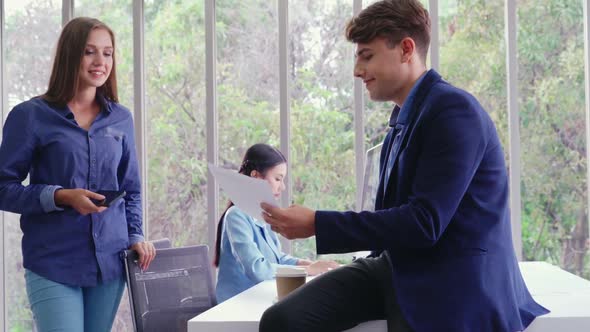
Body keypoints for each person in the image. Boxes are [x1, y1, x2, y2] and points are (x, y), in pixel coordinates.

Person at [259, 1, 549, 331]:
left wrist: (318, 223)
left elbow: (424, 222)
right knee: (281, 320)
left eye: (366, 55)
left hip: (453, 281)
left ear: (406, 49)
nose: (357, 70)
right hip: (397, 266)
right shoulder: (404, 118)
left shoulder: (454, 111)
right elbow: (393, 218)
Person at [0, 17, 155, 332]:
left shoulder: (121, 118)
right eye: (89, 52)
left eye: (107, 53)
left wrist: (136, 235)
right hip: (53, 262)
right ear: (71, 55)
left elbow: (131, 190)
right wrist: (59, 196)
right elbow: (3, 187)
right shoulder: (30, 116)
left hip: (110, 264)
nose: (100, 62)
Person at [214, 143, 339, 303]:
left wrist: (309, 264)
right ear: (255, 176)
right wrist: (307, 270)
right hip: (236, 305)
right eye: (278, 179)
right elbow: (257, 268)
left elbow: (276, 258)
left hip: (256, 299)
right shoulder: (236, 216)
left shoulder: (262, 215)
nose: (283, 186)